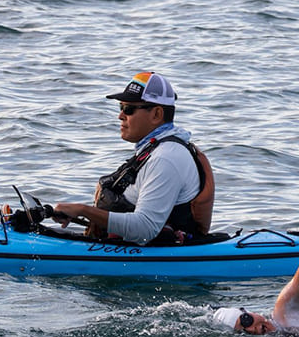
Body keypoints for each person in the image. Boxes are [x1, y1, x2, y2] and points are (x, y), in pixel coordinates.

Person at [52, 72, 214, 246]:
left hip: (160, 255)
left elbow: (145, 230)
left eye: (129, 109)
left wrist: (83, 210)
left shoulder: (166, 157)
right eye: (120, 107)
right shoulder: (155, 149)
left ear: (156, 114)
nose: (120, 116)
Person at [213, 242, 299, 335]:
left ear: (249, 312)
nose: (251, 329)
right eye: (243, 330)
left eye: (246, 320)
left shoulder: (283, 312)